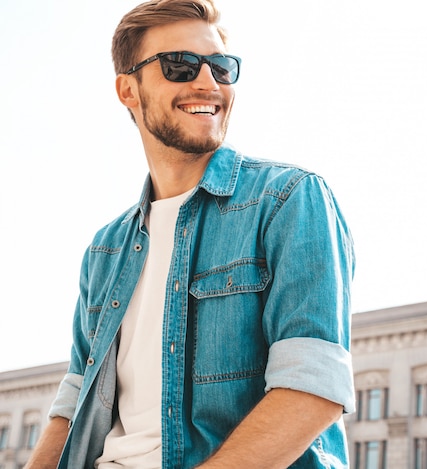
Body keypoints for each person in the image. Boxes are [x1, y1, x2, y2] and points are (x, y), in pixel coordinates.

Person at [25, 0, 355, 467]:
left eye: (220, 67)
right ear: (128, 89)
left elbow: (313, 388)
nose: (207, 82)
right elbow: (75, 399)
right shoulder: (105, 248)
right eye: (179, 65)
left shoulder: (289, 200)